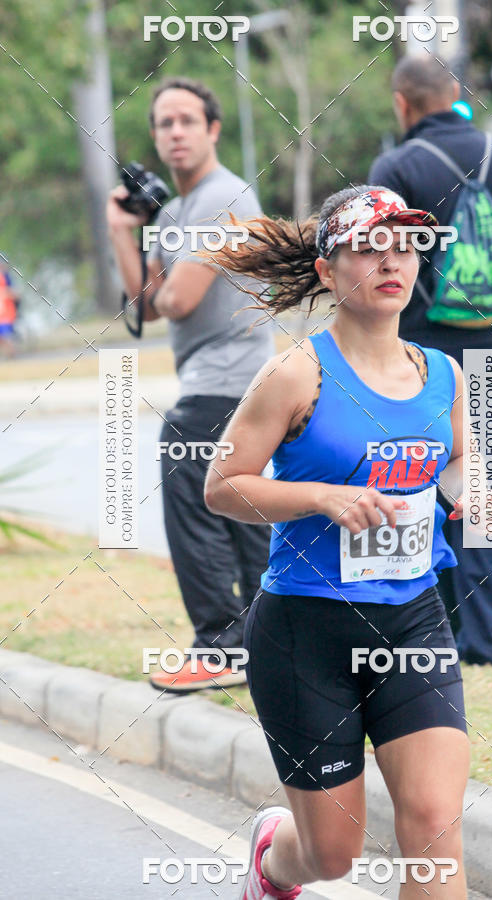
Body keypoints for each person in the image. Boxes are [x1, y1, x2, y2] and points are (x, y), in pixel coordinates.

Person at [204, 186, 492, 898]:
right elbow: (221, 485)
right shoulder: (295, 373)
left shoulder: (444, 374)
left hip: (412, 619)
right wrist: (320, 498)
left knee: (433, 824)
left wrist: (472, 495)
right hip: (306, 631)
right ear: (330, 272)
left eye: (403, 247)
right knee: (332, 853)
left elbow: (458, 458)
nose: (391, 261)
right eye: (369, 247)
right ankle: (274, 859)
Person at [368, 55, 492, 666]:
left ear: (403, 103)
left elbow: (380, 265)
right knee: (486, 482)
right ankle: (485, 643)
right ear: (457, 96)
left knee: (419, 478)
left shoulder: (395, 167)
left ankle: (434, 635)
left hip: (422, 351)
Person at [106, 76, 274, 692]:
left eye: (186, 120)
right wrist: (127, 231)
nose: (174, 132)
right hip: (236, 382)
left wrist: (159, 237)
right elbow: (144, 307)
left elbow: (175, 299)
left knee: (198, 497)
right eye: (163, 123)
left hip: (226, 380)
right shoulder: (182, 209)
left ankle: (221, 645)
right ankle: (262, 641)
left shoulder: (222, 196)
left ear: (212, 129)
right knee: (240, 510)